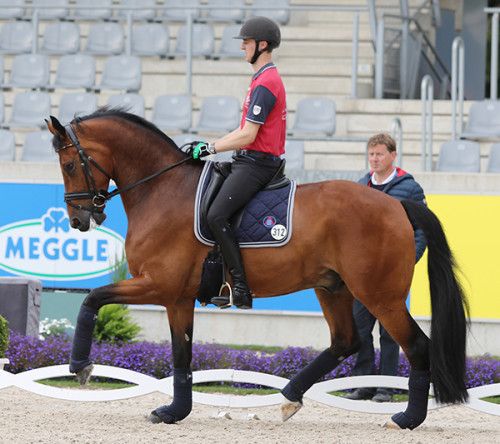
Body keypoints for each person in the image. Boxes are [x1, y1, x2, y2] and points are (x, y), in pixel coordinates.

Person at [191, 16, 287, 310]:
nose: (243, 47)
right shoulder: (259, 79)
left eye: (246, 42)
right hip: (247, 159)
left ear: (262, 45)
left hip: (258, 164)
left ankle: (241, 289)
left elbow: (248, 134)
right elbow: (241, 130)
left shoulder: (267, 82)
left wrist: (209, 148)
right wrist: (209, 145)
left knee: (217, 215)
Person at [346, 133, 427, 403]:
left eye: (379, 154)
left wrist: (405, 263)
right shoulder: (360, 186)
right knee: (359, 329)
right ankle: (363, 385)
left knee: (390, 332)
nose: (374, 159)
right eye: (371, 154)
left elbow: (421, 231)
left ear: (393, 155)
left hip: (391, 275)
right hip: (362, 276)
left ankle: (386, 388)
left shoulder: (410, 188)